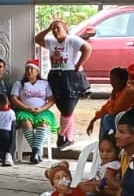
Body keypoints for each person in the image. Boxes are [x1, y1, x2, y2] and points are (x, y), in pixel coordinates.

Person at [36, 18, 92, 147]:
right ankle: (69, 138)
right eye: (53, 28)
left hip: (70, 75)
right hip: (56, 75)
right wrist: (48, 29)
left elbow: (88, 48)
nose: (55, 30)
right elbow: (38, 39)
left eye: (58, 28)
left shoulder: (72, 40)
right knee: (63, 108)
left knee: (68, 108)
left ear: (65, 29)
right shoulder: (51, 41)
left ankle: (61, 135)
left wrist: (79, 63)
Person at [11, 60, 58, 161]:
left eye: (32, 69)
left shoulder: (45, 84)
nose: (29, 71)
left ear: (37, 71)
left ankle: (34, 153)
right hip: (24, 111)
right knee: (26, 123)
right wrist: (26, 108)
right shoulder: (18, 84)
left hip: (42, 111)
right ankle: (36, 152)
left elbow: (51, 100)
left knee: (43, 124)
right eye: (27, 69)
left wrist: (41, 109)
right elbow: (13, 99)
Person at [90, 66, 134, 139]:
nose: (111, 82)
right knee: (104, 116)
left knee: (108, 118)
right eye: (111, 79)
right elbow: (105, 108)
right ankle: (103, 142)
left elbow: (114, 111)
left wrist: (112, 97)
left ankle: (111, 141)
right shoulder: (118, 90)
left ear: (123, 80)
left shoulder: (127, 91)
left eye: (114, 79)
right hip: (125, 116)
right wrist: (93, 120)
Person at [0, 95, 16, 167]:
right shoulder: (11, 112)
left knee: (0, 146)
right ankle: (9, 155)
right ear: (8, 103)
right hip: (7, 133)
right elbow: (14, 120)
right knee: (13, 126)